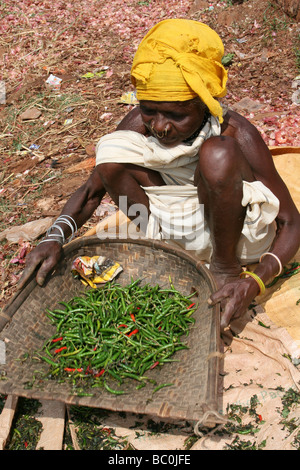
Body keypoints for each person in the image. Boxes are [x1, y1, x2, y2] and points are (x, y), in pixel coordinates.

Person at [18, 19, 300, 330]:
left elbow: (291, 222)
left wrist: (255, 282)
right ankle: (169, 251)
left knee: (218, 154)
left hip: (236, 241)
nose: (160, 126)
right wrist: (54, 237)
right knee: (112, 154)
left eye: (177, 115)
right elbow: (90, 191)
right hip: (175, 234)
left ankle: (224, 269)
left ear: (205, 104)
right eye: (149, 110)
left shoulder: (236, 132)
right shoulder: (140, 125)